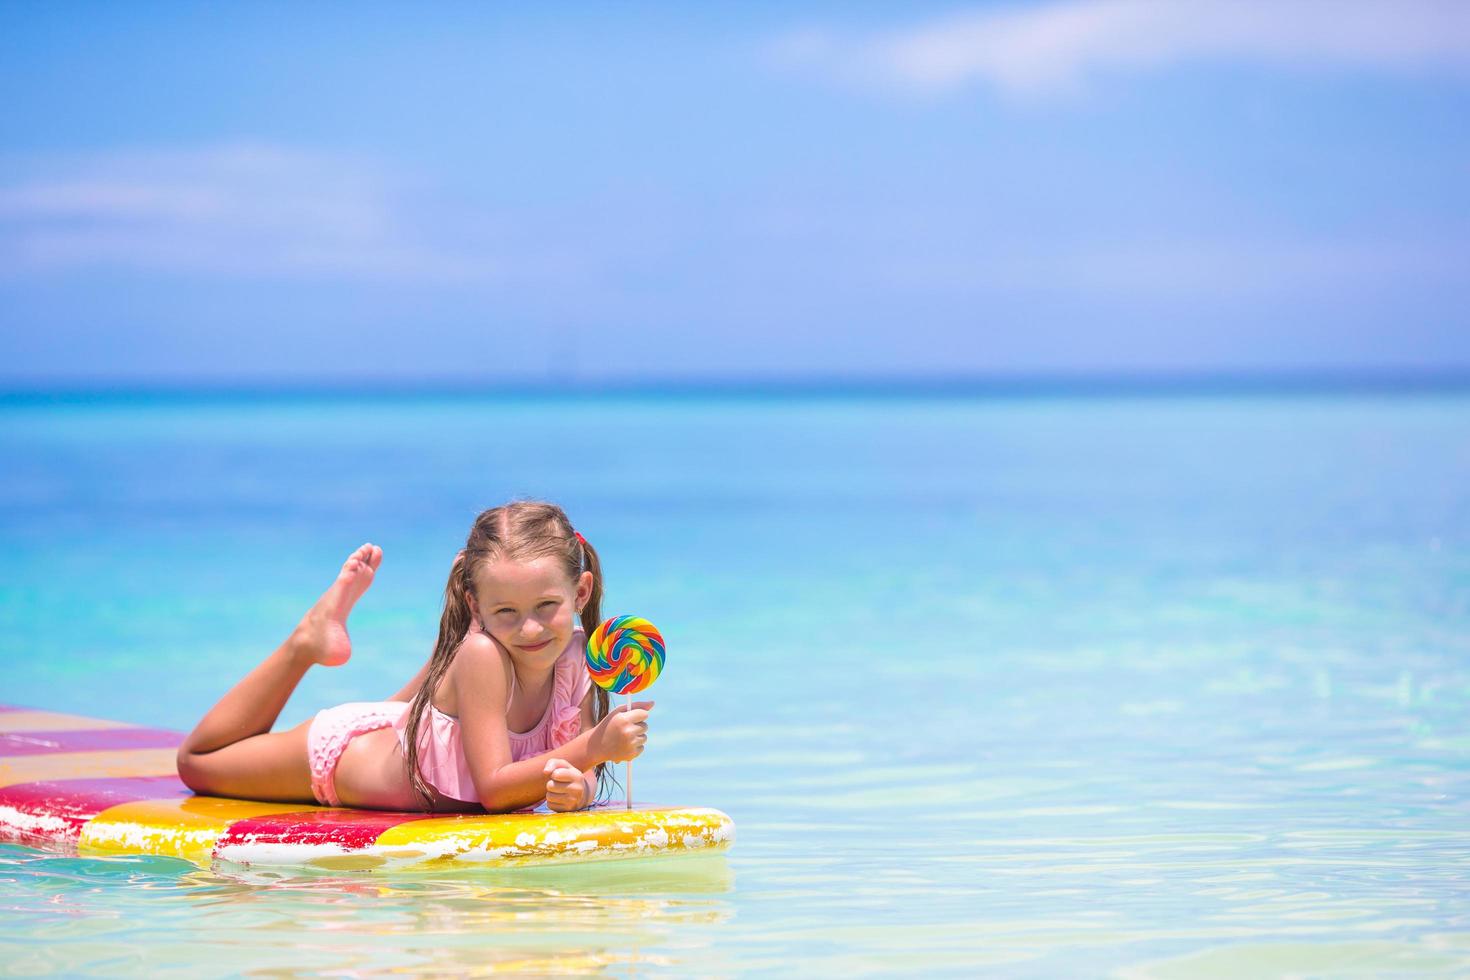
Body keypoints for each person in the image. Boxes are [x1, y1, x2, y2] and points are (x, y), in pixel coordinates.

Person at [176, 500, 651, 813]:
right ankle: (307, 642)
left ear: (581, 591)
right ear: (477, 606)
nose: (529, 628)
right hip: (343, 759)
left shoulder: (578, 662)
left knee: (441, 686)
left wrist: (578, 790)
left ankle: (439, 659)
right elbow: (495, 789)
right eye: (505, 610)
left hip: (406, 728)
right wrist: (596, 746)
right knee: (198, 763)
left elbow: (582, 776)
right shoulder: (483, 655)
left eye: (546, 606)